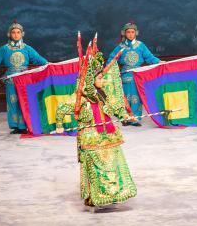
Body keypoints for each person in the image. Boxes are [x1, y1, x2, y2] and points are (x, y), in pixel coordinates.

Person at [56, 42, 137, 211]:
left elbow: (116, 108)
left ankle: (114, 195)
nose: (104, 80)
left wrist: (126, 116)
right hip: (90, 139)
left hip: (109, 135)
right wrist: (59, 124)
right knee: (96, 169)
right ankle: (96, 198)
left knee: (113, 165)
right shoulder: (81, 98)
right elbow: (62, 109)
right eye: (100, 78)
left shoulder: (103, 95)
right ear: (91, 80)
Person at [0, 20, 48, 134]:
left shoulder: (27, 48)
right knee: (13, 102)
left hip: (24, 79)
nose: (16, 35)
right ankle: (16, 126)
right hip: (11, 79)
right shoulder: (4, 49)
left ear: (22, 34)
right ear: (9, 34)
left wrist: (48, 64)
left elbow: (38, 59)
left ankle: (25, 125)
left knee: (24, 101)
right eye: (13, 32)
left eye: (18, 32)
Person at [107, 21, 160, 125]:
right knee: (125, 97)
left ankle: (136, 118)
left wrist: (159, 62)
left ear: (136, 33)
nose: (131, 34)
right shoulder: (120, 47)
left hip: (137, 75)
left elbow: (149, 57)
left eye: (132, 32)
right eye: (128, 32)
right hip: (125, 75)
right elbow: (112, 59)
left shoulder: (141, 46)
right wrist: (106, 70)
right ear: (124, 33)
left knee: (136, 97)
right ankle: (126, 118)